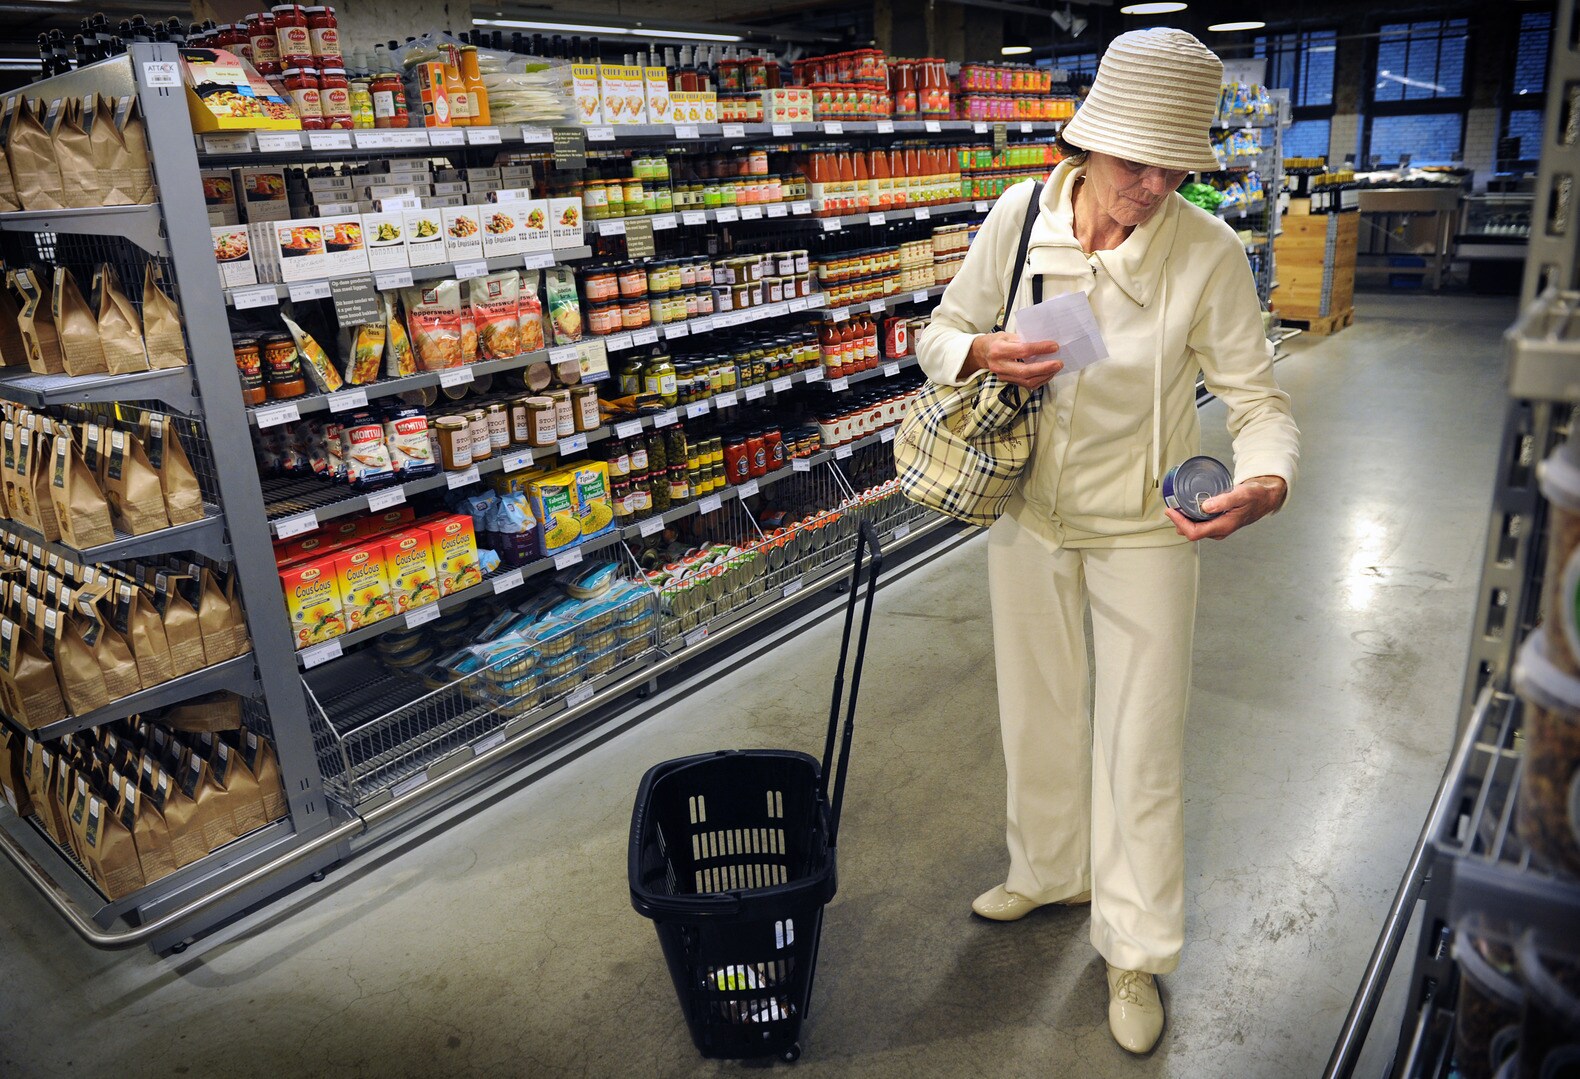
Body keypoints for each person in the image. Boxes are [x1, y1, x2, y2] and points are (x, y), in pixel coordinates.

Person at [915, 28, 1300, 1055]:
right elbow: (935, 334)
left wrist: (1263, 479)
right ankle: (1046, 869)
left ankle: (1133, 946)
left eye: (1173, 164)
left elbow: (1258, 399)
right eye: (1135, 160)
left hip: (1144, 527)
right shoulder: (1017, 215)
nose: (1153, 183)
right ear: (1085, 144)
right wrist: (978, 350)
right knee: (1034, 707)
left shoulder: (1205, 252)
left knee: (1140, 741)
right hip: (1027, 514)